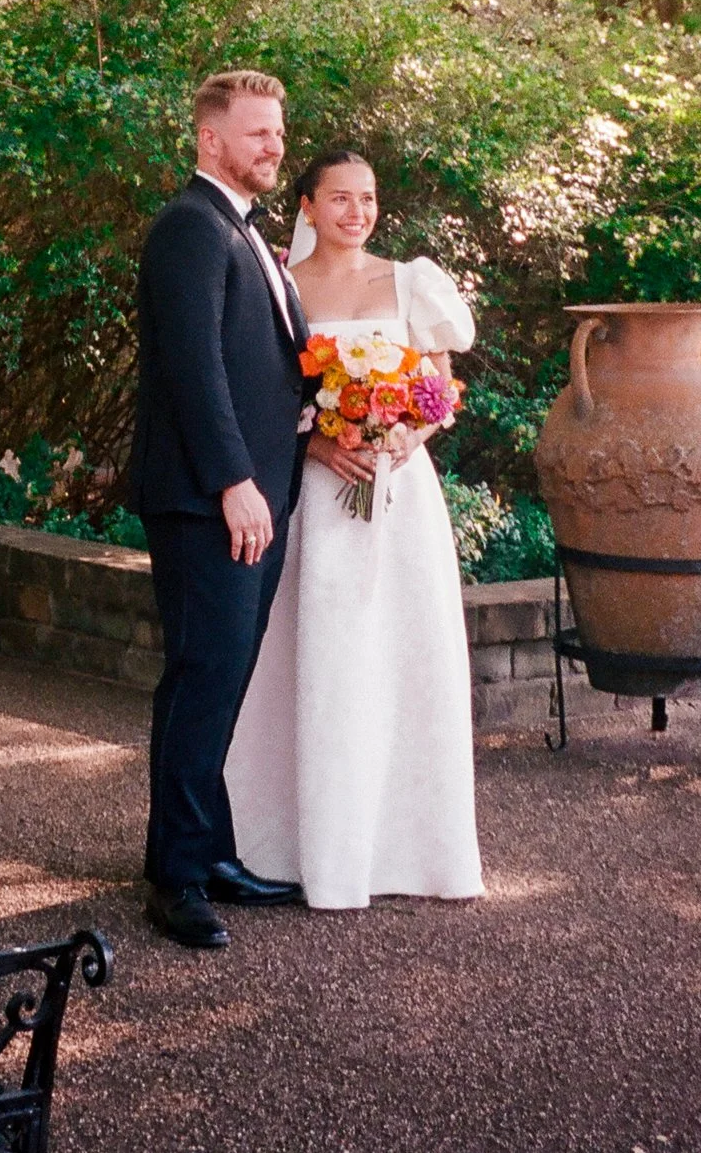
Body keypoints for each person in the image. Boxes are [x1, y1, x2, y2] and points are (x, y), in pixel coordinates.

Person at [224, 145, 484, 909]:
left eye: (367, 198)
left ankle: (408, 848)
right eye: (339, 198)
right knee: (318, 659)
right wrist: (320, 440)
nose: (357, 213)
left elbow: (439, 390)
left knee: (402, 659)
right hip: (317, 495)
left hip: (399, 499)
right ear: (307, 205)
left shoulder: (408, 281)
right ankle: (298, 847)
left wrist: (404, 436)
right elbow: (266, 396)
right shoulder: (284, 285)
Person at [130, 70, 313, 950]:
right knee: (203, 678)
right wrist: (235, 481)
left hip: (256, 494)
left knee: (222, 677)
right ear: (211, 139)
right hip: (212, 502)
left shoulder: (244, 233)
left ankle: (209, 849)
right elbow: (194, 368)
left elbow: (268, 366)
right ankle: (176, 879)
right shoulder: (188, 229)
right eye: (256, 133)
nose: (274, 145)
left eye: (278, 132)